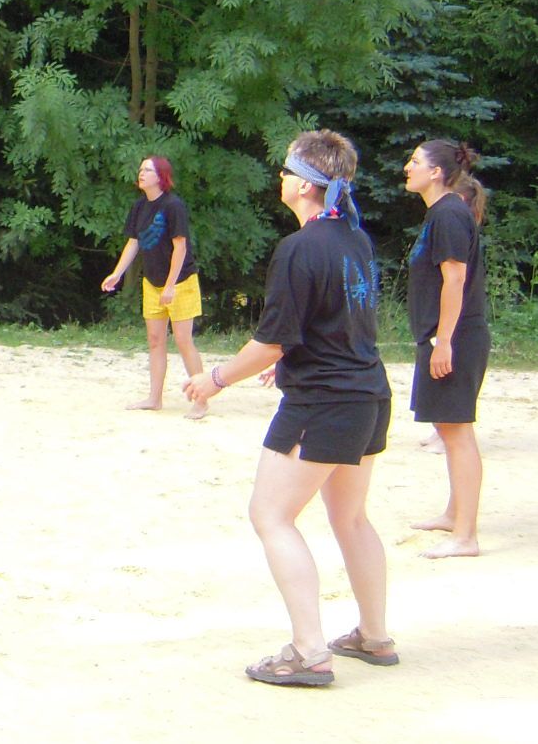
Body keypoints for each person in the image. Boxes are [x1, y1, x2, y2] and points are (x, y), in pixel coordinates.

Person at [183, 130, 396, 687]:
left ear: (305, 185)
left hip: (324, 401)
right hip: (368, 394)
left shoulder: (299, 247)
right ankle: (374, 636)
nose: (279, 178)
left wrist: (214, 379)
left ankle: (309, 652)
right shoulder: (354, 238)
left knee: (271, 515)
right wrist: (290, 359)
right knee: (351, 517)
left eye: (286, 171)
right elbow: (334, 323)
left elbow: (272, 341)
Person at [403, 139, 490, 559]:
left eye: (415, 161)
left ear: (436, 172)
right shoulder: (441, 212)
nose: (408, 167)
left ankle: (465, 537)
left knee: (457, 432)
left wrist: (444, 341)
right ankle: (455, 514)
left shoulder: (450, 214)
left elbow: (455, 280)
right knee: (447, 427)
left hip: (457, 338)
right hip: (446, 337)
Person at [101, 156, 208, 418]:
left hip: (180, 281)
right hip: (152, 281)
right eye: (140, 169)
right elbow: (133, 242)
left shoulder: (173, 206)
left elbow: (180, 247)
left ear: (160, 176)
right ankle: (154, 398)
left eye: (147, 170)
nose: (141, 173)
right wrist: (117, 273)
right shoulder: (139, 206)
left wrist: (170, 285)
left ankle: (201, 399)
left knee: (183, 340)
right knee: (155, 340)